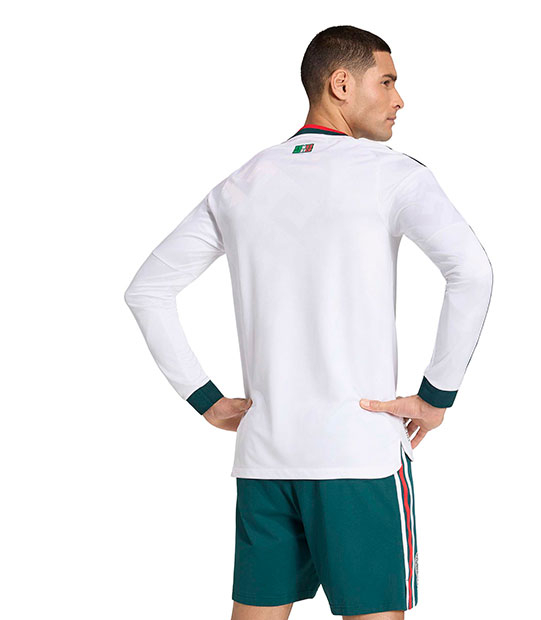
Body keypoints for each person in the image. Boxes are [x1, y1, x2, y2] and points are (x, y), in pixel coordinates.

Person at [124, 24, 493, 620]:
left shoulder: (242, 182)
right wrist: (435, 396)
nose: (399, 99)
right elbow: (471, 272)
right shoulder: (391, 173)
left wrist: (206, 401)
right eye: (387, 82)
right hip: (360, 458)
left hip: (266, 456)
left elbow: (147, 291)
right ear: (341, 83)